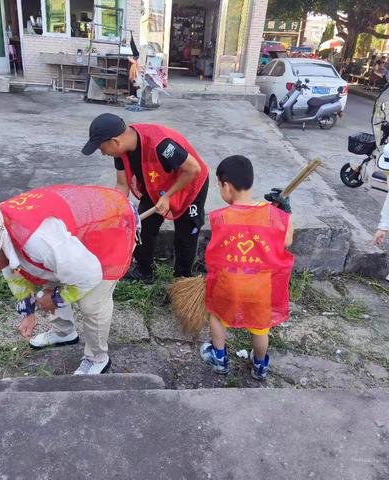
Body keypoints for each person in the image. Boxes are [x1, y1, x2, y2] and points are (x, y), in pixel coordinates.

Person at [0, 185, 138, 375]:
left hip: (109, 224)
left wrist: (56, 298)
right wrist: (27, 312)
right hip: (67, 242)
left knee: (92, 303)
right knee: (53, 274)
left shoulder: (40, 241)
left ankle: (97, 358)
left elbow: (89, 275)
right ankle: (64, 332)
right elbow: (13, 270)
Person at [82, 113, 209, 282]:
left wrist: (168, 196)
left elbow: (193, 169)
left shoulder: (161, 145)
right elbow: (122, 185)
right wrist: (117, 213)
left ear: (115, 141)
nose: (103, 153)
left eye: (102, 148)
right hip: (156, 185)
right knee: (143, 227)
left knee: (185, 234)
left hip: (189, 184)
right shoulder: (121, 152)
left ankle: (182, 280)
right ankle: (144, 271)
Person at [200, 155, 294, 380]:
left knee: (216, 316)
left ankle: (220, 358)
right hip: (260, 285)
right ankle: (260, 365)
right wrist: (285, 213)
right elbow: (287, 241)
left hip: (228, 283)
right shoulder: (272, 214)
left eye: (219, 186)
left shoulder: (221, 217)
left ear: (227, 186)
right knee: (261, 327)